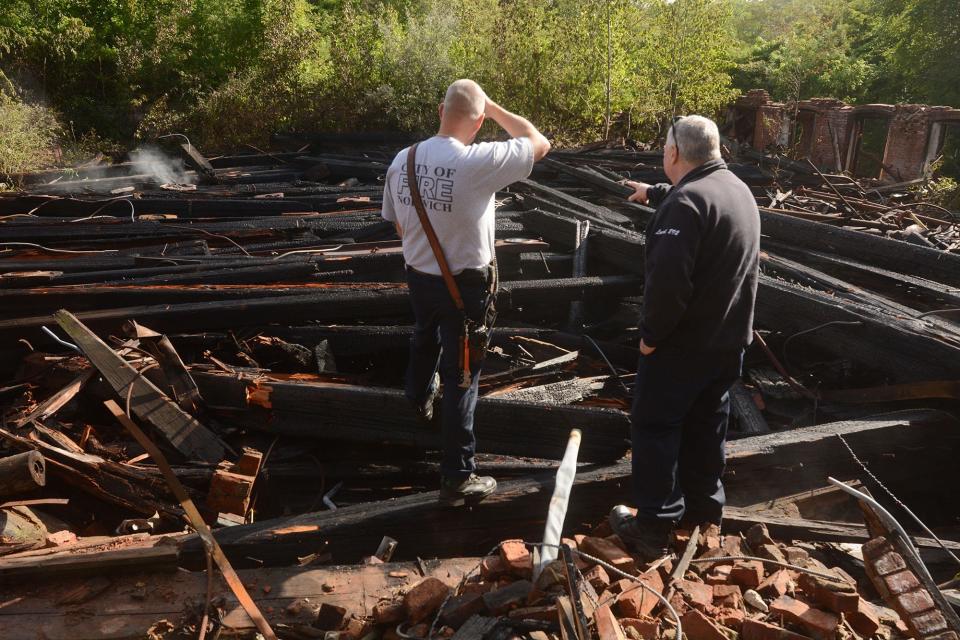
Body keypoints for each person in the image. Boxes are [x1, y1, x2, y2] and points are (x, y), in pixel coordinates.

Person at [381, 79, 550, 506]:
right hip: (466, 289)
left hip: (419, 276)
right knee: (461, 378)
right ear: (477, 122)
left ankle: (417, 397)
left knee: (424, 335)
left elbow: (398, 224)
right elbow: (538, 142)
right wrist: (493, 108)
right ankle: (458, 476)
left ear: (441, 109)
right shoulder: (478, 162)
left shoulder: (404, 159)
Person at [608, 115, 760, 555]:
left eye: (664, 150)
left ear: (673, 153)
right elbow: (701, 206)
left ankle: (653, 525)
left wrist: (650, 337)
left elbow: (668, 285)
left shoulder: (684, 205)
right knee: (705, 425)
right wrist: (653, 192)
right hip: (728, 343)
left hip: (682, 346)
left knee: (655, 427)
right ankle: (704, 512)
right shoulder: (736, 190)